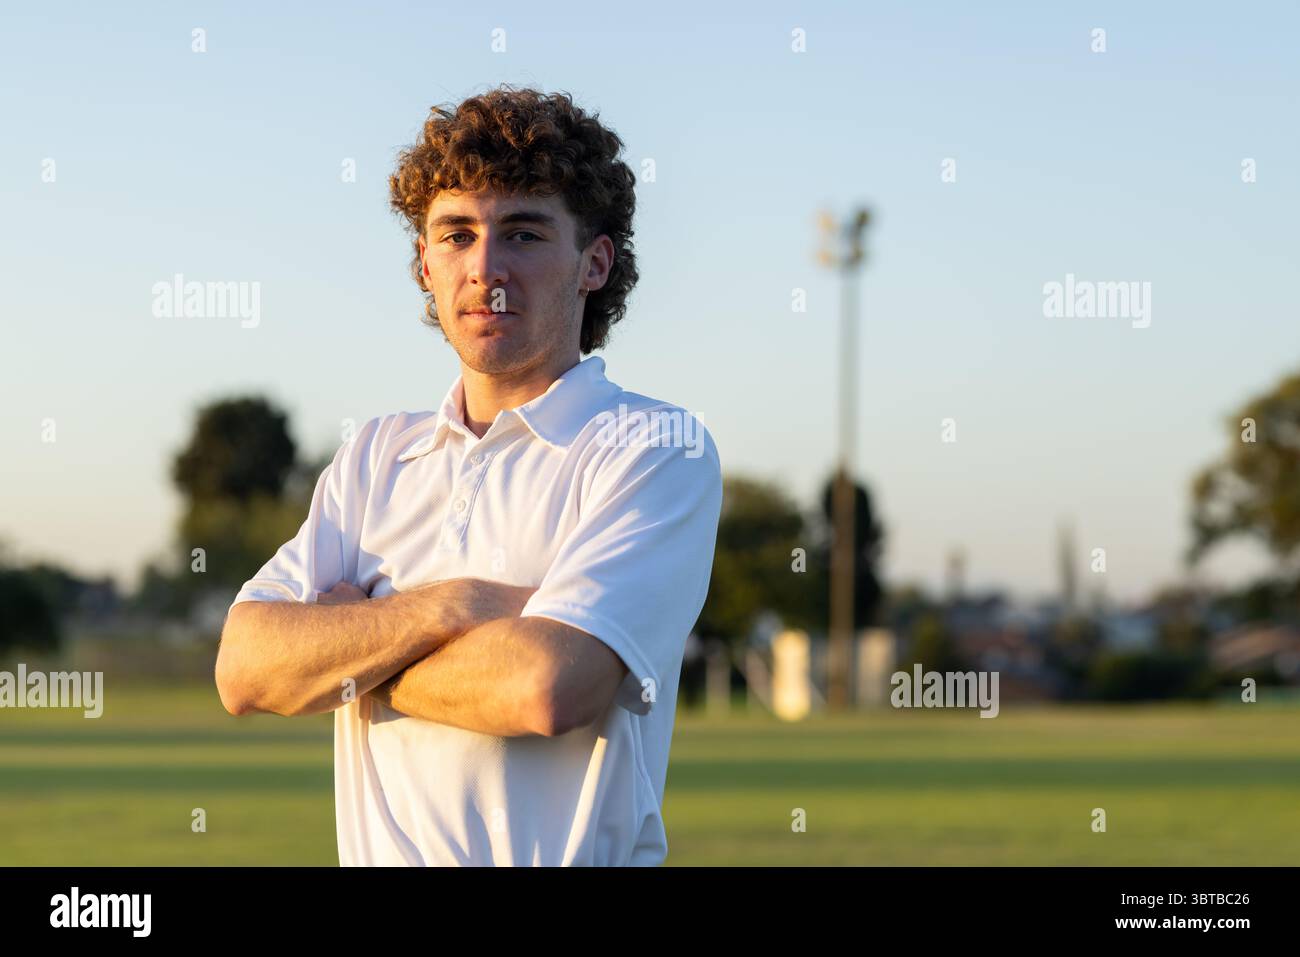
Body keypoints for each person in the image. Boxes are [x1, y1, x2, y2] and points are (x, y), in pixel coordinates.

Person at [214, 85, 722, 866]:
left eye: (522, 234)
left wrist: (353, 655)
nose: (485, 267)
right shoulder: (376, 456)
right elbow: (245, 668)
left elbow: (547, 687)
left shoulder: (652, 446)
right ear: (425, 262)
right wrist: (463, 604)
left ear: (595, 263)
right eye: (456, 234)